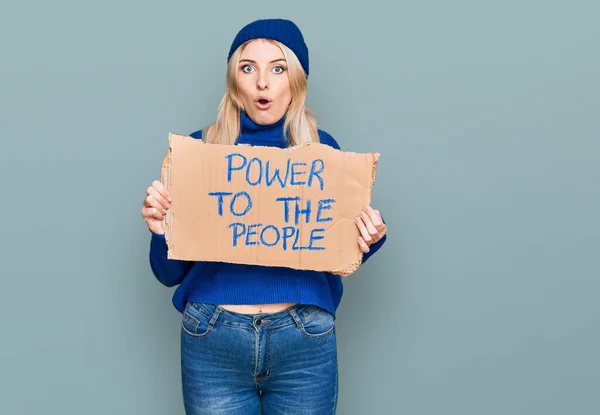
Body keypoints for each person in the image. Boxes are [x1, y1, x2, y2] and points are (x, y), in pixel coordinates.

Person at [141, 18, 387, 414]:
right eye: (248, 67)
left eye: (277, 68)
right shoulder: (197, 152)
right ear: (234, 79)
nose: (262, 83)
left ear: (296, 79)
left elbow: (338, 252)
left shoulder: (324, 153)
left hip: (302, 339)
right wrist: (159, 231)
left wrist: (369, 237)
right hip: (213, 339)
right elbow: (167, 273)